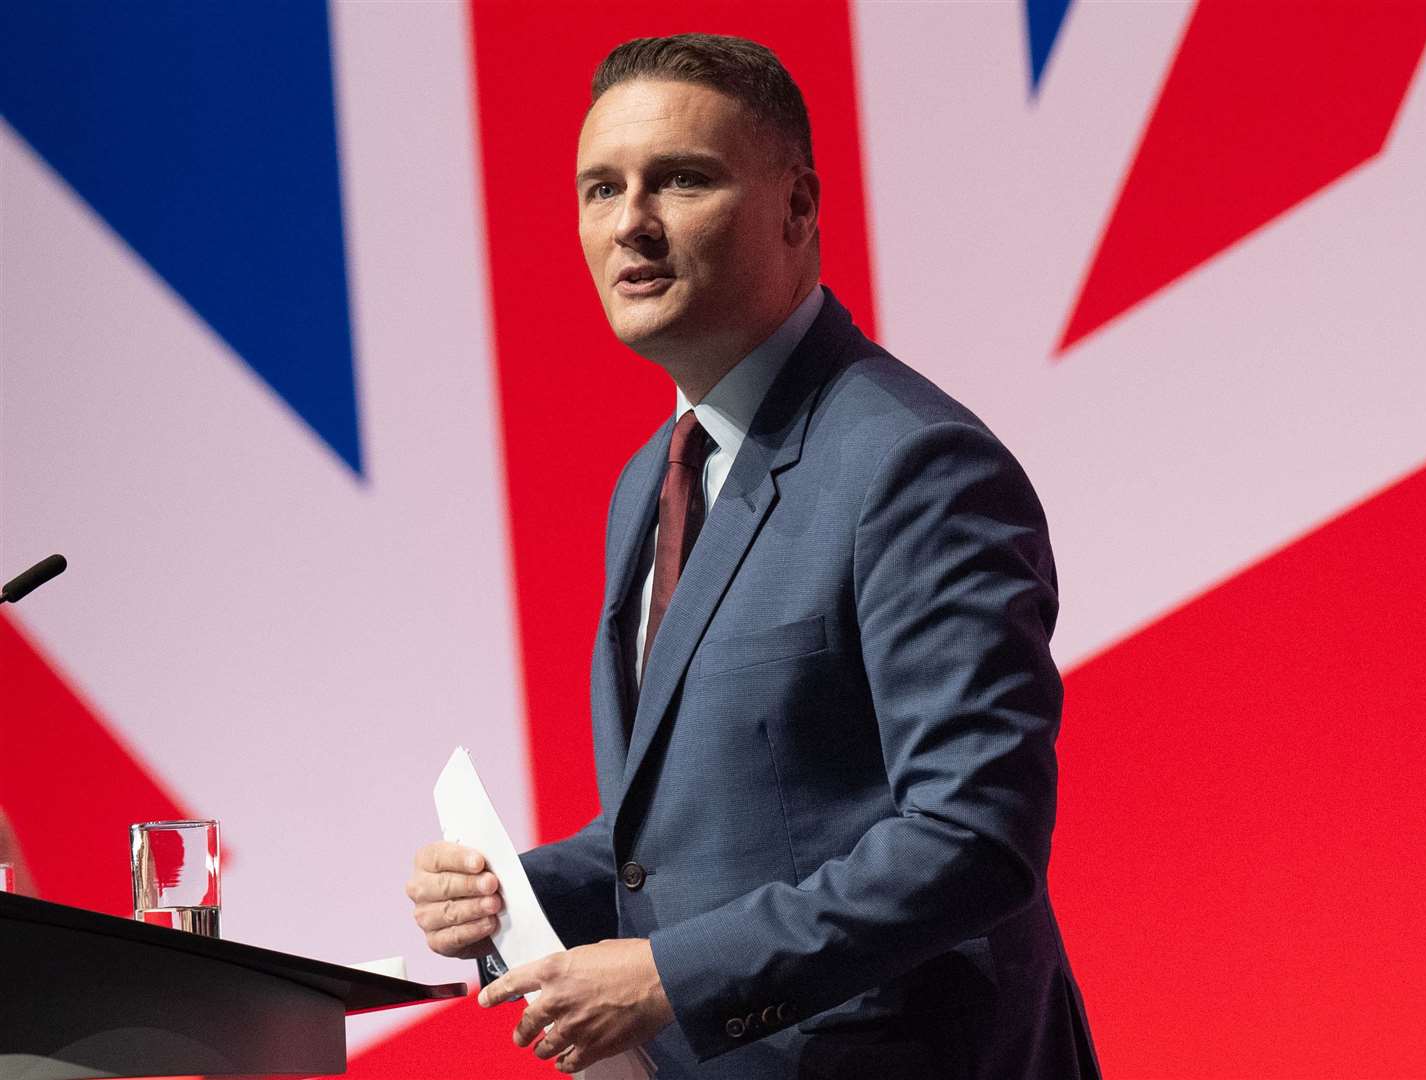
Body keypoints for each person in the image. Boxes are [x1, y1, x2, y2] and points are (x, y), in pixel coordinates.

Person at [407, 34, 1100, 1079]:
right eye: (601, 189)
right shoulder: (652, 478)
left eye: (680, 179)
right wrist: (516, 893)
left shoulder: (915, 465)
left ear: (798, 208)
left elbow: (971, 836)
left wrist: (668, 978)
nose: (629, 224)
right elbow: (708, 829)